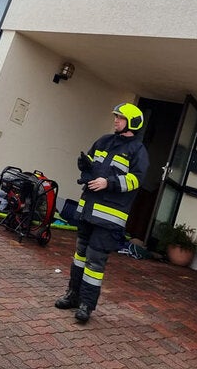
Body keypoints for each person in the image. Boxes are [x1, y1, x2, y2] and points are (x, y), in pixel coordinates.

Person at [54, 102, 149, 324]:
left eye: (120, 117)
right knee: (80, 256)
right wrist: (84, 166)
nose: (115, 120)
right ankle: (73, 295)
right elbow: (90, 166)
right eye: (116, 117)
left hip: (109, 217)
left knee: (95, 262)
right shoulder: (104, 141)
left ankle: (87, 305)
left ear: (132, 122)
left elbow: (136, 179)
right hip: (88, 210)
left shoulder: (138, 151)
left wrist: (109, 182)